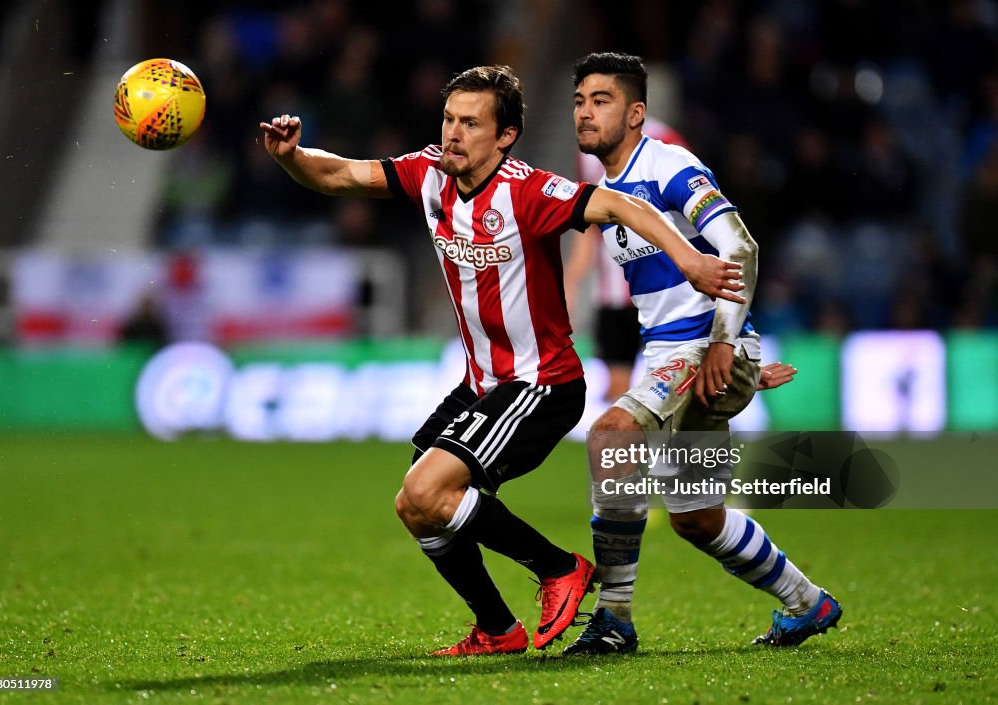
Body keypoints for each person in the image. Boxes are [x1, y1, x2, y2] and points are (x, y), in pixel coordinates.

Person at [260, 65, 747, 656]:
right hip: (484, 384)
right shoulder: (428, 175)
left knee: (428, 492)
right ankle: (497, 628)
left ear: (506, 136)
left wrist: (690, 261)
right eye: (449, 119)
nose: (454, 134)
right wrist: (290, 157)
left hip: (540, 384)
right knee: (416, 508)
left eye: (470, 122)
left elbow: (622, 207)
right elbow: (338, 174)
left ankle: (558, 569)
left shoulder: (530, 191)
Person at [562, 53, 841, 655]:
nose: (586, 111)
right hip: (674, 356)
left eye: (602, 100)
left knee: (611, 436)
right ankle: (808, 601)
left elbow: (740, 245)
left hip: (703, 346)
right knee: (696, 517)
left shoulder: (667, 166)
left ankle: (613, 617)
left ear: (637, 113)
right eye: (581, 99)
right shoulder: (604, 188)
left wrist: (725, 346)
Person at [565, 119, 691, 402]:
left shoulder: (666, 142)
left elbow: (688, 216)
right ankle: (628, 447)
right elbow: (587, 226)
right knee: (618, 395)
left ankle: (685, 445)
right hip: (612, 296)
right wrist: (570, 283)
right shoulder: (587, 151)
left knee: (675, 391)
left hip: (664, 294)